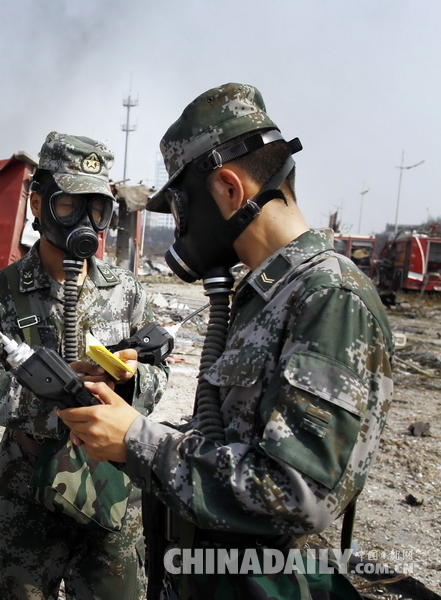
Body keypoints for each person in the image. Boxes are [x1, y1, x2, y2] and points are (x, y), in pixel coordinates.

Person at [58, 83, 394, 599]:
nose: (182, 229)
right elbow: (233, 436)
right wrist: (126, 415)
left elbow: (298, 493)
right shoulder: (268, 293)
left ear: (229, 189)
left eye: (181, 208)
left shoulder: (330, 297)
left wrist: (138, 441)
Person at [0, 132, 169, 599]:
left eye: (97, 209)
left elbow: (159, 371)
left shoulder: (127, 291)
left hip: (112, 487)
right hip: (30, 488)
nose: (85, 221)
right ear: (38, 204)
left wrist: (127, 384)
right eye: (70, 205)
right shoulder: (0, 292)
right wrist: (57, 399)